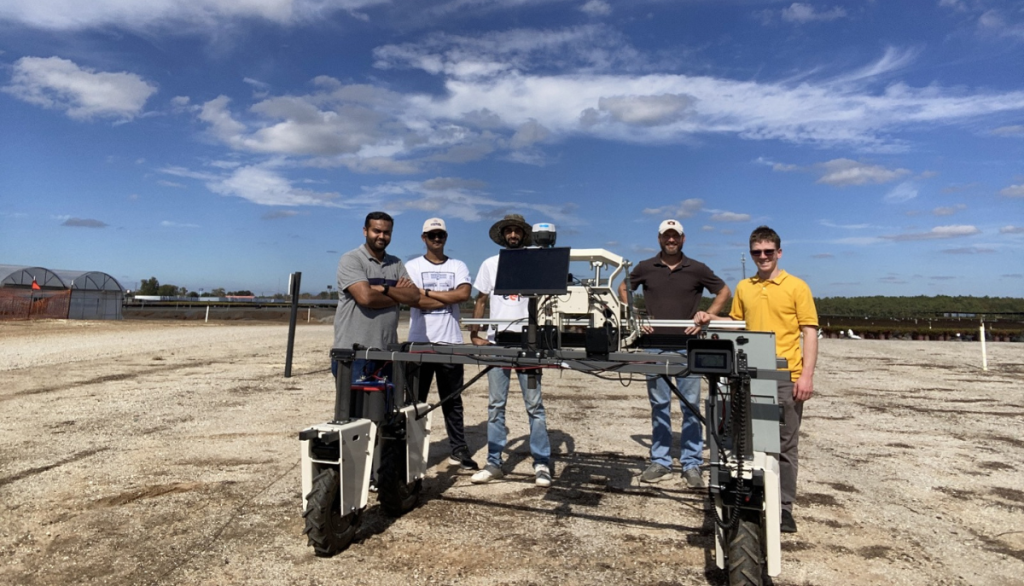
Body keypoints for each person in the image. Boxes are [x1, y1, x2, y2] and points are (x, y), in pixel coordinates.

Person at [693, 225, 818, 533]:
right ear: (751, 255)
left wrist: (806, 376)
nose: (762, 257)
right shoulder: (745, 287)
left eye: (767, 252)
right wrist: (710, 318)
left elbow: (809, 332)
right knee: (742, 440)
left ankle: (784, 507)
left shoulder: (797, 287)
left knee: (785, 443)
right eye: (756, 252)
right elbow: (737, 323)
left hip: (785, 374)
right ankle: (745, 497)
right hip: (746, 373)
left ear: (779, 252)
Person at [618, 219, 730, 488]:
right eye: (666, 236)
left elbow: (724, 290)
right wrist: (633, 315)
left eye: (675, 236)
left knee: (690, 406)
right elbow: (623, 288)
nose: (671, 240)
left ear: (683, 239)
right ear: (659, 239)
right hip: (653, 344)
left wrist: (709, 315)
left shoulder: (697, 269)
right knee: (659, 405)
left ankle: (691, 464)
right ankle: (660, 460)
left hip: (687, 345)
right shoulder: (645, 267)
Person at [468, 214, 552, 488]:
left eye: (517, 232)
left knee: (534, 406)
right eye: (509, 231)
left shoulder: (536, 263)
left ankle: (542, 462)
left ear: (524, 236)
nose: (513, 235)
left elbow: (548, 300)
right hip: (497, 343)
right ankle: (494, 462)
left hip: (528, 342)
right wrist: (475, 333)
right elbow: (481, 298)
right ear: (503, 235)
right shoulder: (490, 264)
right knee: (495, 405)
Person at [405, 218, 479, 471]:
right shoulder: (412, 266)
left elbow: (464, 295)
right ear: (423, 237)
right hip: (420, 342)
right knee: (415, 401)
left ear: (445, 237)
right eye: (432, 235)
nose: (437, 239)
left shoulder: (458, 265)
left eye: (441, 235)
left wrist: (426, 293)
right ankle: (411, 453)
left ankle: (458, 449)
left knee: (452, 400)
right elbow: (413, 300)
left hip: (450, 343)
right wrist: (443, 298)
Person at [333, 211, 420, 384]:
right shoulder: (351, 260)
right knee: (353, 409)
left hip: (386, 353)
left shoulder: (396, 263)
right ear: (365, 231)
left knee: (384, 409)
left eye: (387, 232)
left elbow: (414, 296)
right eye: (376, 231)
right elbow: (366, 298)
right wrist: (397, 294)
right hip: (353, 354)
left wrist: (383, 288)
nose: (382, 236)